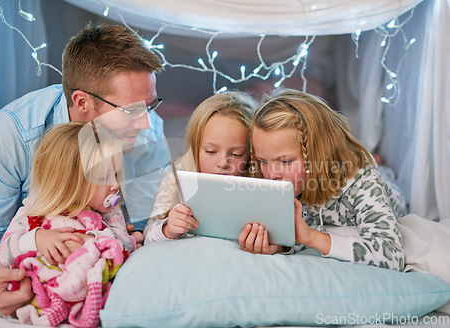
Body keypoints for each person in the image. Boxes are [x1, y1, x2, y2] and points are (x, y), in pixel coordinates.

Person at [0, 24, 170, 316]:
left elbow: (146, 221)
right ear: (82, 102)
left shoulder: (147, 131)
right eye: (131, 111)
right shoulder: (14, 135)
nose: (145, 124)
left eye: (150, 105)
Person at [238, 88, 406, 271]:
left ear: (318, 154)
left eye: (285, 161)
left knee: (384, 176)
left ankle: (381, 166)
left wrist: (311, 237)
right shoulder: (284, 181)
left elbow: (391, 255)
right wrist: (280, 245)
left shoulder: (362, 184)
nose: (272, 174)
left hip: (388, 191)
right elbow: (299, 227)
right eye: (263, 161)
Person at [0, 121, 135, 327]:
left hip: (87, 287)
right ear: (69, 183)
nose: (115, 185)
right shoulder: (35, 215)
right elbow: (1, 257)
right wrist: (36, 239)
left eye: (116, 174)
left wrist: (93, 240)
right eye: (105, 177)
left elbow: (124, 244)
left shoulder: (110, 213)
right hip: (44, 290)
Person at [144, 91, 257, 243]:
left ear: (250, 155)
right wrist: (167, 229)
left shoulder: (256, 183)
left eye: (236, 154)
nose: (223, 162)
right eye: (211, 151)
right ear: (195, 147)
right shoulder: (175, 177)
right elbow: (148, 235)